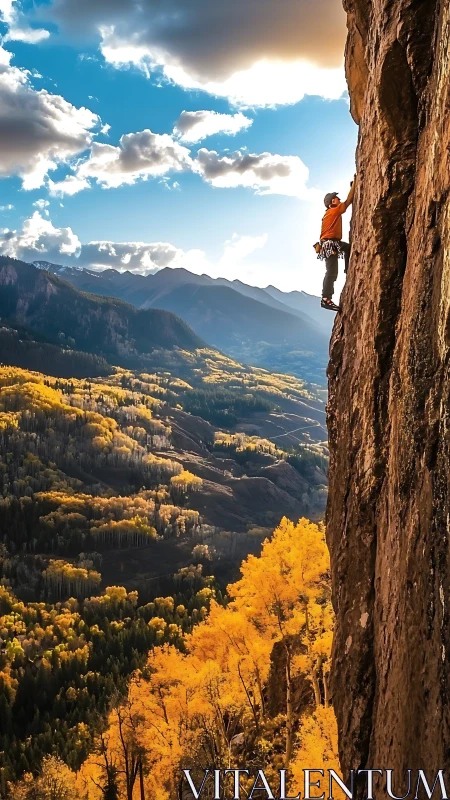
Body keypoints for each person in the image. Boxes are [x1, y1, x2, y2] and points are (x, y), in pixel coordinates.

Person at [314, 175, 356, 312]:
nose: (339, 199)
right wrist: (355, 185)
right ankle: (325, 298)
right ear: (332, 201)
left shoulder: (330, 212)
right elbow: (349, 201)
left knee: (348, 248)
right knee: (331, 272)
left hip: (330, 243)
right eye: (337, 198)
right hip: (330, 244)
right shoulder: (333, 210)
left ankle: (347, 268)